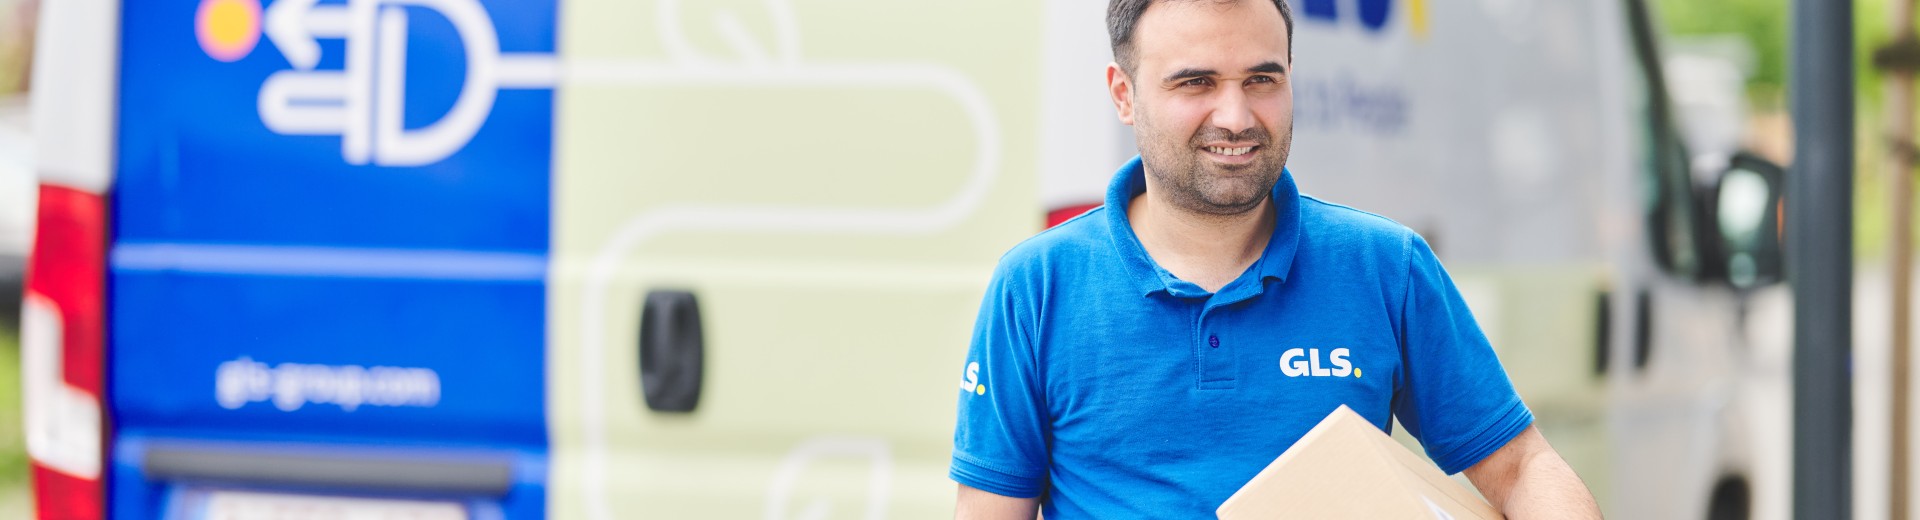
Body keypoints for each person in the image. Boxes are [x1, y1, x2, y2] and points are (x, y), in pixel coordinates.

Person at [949, 0, 1604, 517]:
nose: (1235, 116)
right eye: (1196, 82)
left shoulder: (1385, 267)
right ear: (1124, 93)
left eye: (1261, 79)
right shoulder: (1036, 287)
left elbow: (1523, 470)